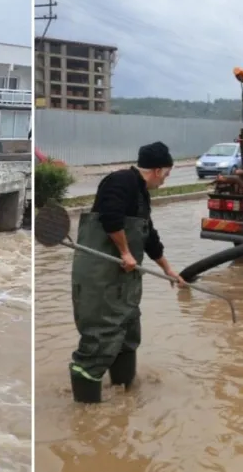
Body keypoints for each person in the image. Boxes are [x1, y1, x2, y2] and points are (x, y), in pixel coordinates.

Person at [69, 141, 186, 404]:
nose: (165, 181)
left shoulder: (142, 194)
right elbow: (110, 217)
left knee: (128, 334)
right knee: (100, 338)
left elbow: (149, 236)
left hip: (125, 282)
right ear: (157, 170)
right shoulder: (120, 181)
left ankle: (125, 397)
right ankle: (87, 412)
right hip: (101, 279)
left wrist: (168, 270)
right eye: (166, 175)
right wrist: (124, 252)